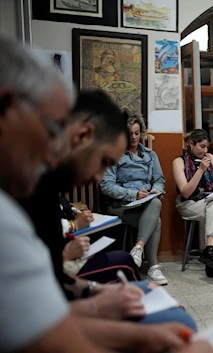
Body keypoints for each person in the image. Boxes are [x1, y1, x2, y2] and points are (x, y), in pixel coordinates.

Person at [0, 37, 201, 353]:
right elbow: (49, 338)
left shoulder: (29, 194)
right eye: (53, 130)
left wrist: (94, 292)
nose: (53, 152)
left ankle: (140, 252)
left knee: (154, 205)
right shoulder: (13, 208)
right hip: (121, 207)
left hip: (136, 212)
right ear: (7, 108)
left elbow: (50, 300)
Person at [21, 90, 196, 329]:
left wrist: (100, 292)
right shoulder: (25, 195)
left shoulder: (45, 191)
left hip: (68, 294)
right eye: (104, 161)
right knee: (176, 320)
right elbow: (37, 318)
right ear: (82, 137)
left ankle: (142, 259)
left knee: (159, 300)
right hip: (59, 315)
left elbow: (58, 279)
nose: (97, 176)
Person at [101, 112, 168, 285]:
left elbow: (159, 179)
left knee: (155, 202)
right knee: (156, 217)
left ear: (142, 133)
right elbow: (106, 186)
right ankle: (152, 265)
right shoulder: (115, 156)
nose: (134, 137)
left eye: (137, 133)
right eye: (129, 134)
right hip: (121, 206)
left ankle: (138, 249)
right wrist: (133, 194)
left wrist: (156, 190)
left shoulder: (150, 155)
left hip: (144, 205)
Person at [173, 129, 213, 271]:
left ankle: (210, 252)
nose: (205, 151)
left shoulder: (210, 157)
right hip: (187, 203)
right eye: (202, 146)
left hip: (208, 200)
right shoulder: (179, 162)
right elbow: (186, 193)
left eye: (207, 147)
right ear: (191, 144)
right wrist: (200, 170)